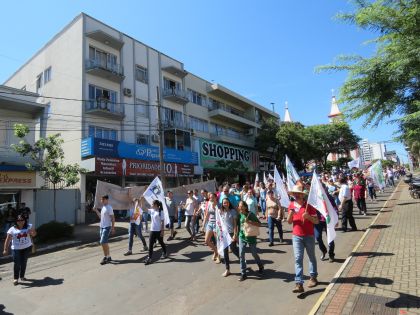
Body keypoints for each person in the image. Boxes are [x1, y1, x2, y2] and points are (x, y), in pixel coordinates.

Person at [287, 185, 319, 293]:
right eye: (294, 193)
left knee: (311, 257)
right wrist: (290, 214)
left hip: (309, 235)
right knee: (298, 259)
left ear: (302, 195)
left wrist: (308, 217)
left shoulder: (309, 205)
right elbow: (289, 221)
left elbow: (317, 221)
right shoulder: (291, 205)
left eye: (297, 193)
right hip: (296, 236)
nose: (295, 195)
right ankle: (299, 283)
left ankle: (313, 277)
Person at [3, 215, 37, 285]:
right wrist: (5, 249)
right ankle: (16, 278)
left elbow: (34, 234)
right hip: (16, 249)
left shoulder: (29, 226)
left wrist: (32, 232)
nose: (20, 222)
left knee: (24, 262)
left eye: (22, 220)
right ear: (16, 221)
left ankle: (22, 276)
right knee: (17, 263)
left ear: (24, 220)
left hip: (26, 248)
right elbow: (8, 239)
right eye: (19, 220)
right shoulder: (12, 229)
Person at [237, 201, 264, 281]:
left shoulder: (251, 214)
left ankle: (260, 266)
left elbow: (259, 224)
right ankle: (243, 273)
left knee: (254, 253)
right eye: (239, 206)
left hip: (251, 237)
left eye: (242, 206)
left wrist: (249, 221)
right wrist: (237, 234)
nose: (240, 208)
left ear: (245, 207)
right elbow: (239, 225)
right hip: (242, 236)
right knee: (241, 254)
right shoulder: (240, 214)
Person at [92, 195, 115, 265]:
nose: (101, 201)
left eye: (102, 199)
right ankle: (108, 256)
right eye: (101, 199)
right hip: (101, 227)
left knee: (102, 242)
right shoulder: (103, 208)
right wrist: (96, 210)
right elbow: (101, 217)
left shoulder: (109, 207)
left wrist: (113, 228)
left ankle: (105, 257)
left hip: (107, 227)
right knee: (105, 243)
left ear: (106, 200)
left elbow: (113, 218)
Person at [219, 198, 239, 277]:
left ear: (229, 203)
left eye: (226, 203)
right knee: (225, 252)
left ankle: (242, 260)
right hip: (224, 234)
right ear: (222, 204)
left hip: (231, 233)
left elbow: (235, 224)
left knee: (234, 249)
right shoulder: (221, 212)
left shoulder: (233, 211)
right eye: (224, 203)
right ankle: (227, 269)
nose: (225, 204)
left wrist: (235, 234)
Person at [144, 200, 167, 265]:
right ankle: (149, 258)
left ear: (156, 205)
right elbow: (144, 208)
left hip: (158, 230)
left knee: (161, 242)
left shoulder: (160, 211)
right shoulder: (151, 211)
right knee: (150, 244)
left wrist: (162, 231)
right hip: (152, 230)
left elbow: (162, 221)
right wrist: (142, 200)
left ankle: (165, 252)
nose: (151, 205)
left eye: (152, 204)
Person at [202, 193, 221, 264]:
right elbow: (207, 214)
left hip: (217, 224)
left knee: (217, 242)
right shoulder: (209, 204)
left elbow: (222, 214)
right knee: (206, 240)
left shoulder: (219, 205)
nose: (211, 199)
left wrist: (216, 207)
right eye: (210, 198)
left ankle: (219, 257)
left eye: (213, 197)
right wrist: (203, 225)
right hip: (210, 224)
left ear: (216, 198)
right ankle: (215, 251)